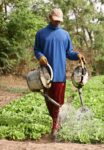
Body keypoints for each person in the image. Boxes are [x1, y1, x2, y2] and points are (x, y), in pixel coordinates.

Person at [33, 8, 85, 139]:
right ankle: (56, 121)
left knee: (58, 102)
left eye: (59, 21)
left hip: (60, 75)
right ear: (50, 17)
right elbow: (36, 49)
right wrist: (40, 56)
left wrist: (77, 55)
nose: (57, 23)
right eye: (55, 20)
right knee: (48, 101)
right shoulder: (41, 34)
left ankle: (55, 126)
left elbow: (69, 53)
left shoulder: (65, 35)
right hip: (45, 75)